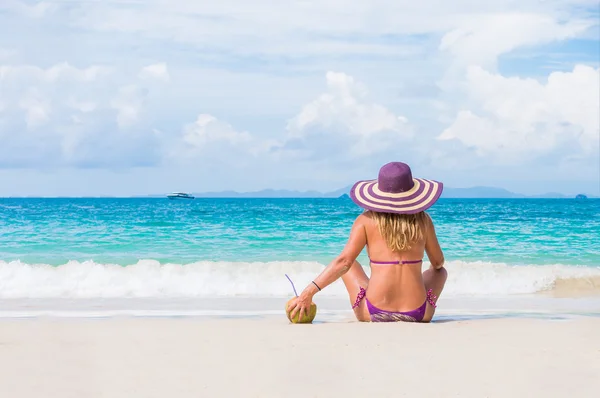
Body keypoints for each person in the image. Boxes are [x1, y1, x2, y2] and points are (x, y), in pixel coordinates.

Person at [287, 162, 447, 323]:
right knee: (439, 272)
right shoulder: (424, 221)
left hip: (372, 312)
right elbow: (438, 262)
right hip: (418, 313)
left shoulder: (365, 221)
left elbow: (344, 262)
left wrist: (308, 293)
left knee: (350, 265)